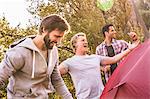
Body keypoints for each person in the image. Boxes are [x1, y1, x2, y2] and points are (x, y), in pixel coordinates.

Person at [0, 14, 73, 99]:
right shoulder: (20, 52)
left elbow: (56, 79)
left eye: (61, 37)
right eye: (56, 36)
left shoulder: (53, 51)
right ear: (43, 30)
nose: (58, 41)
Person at [58, 32, 139, 99]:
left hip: (102, 97)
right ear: (75, 44)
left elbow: (114, 59)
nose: (86, 42)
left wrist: (130, 49)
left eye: (86, 40)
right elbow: (55, 73)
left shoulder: (95, 58)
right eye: (82, 40)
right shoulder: (70, 62)